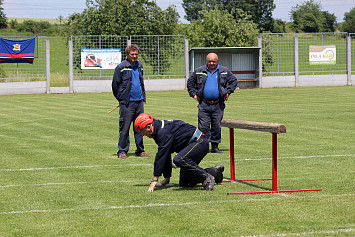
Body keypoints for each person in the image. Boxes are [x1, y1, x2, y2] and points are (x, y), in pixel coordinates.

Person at [134, 113, 225, 192]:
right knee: (185, 183)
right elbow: (166, 154)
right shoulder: (158, 131)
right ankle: (214, 172)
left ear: (149, 127)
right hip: (194, 144)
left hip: (200, 142)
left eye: (142, 131)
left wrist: (154, 179)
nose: (142, 134)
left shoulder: (162, 132)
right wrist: (166, 178)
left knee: (179, 159)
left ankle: (207, 177)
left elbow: (161, 156)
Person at [187, 53, 238, 153]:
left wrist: (228, 92)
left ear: (217, 61)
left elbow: (234, 81)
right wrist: (193, 94)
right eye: (209, 61)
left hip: (218, 104)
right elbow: (190, 83)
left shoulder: (224, 71)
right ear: (207, 61)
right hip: (204, 104)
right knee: (203, 126)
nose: (211, 63)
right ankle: (203, 147)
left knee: (216, 126)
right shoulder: (199, 71)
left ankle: (215, 147)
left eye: (213, 61)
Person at [112, 44, 150, 159]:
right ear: (127, 54)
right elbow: (115, 85)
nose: (134, 56)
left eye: (136, 54)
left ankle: (140, 150)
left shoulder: (140, 66)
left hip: (139, 102)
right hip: (127, 103)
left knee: (140, 127)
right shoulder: (121, 67)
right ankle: (122, 151)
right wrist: (121, 99)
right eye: (132, 54)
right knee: (125, 127)